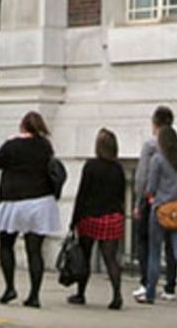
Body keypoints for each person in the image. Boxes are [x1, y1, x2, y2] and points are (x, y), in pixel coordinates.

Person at [0, 111, 61, 308]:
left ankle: (10, 287)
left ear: (22, 126)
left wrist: (10, 145)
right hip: (41, 200)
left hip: (14, 200)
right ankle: (34, 295)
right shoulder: (45, 146)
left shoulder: (12, 145)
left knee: (6, 244)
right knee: (34, 250)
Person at [137, 126, 177, 309]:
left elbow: (151, 188)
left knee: (155, 253)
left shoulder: (158, 160)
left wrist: (151, 196)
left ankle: (150, 293)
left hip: (161, 209)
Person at [67, 128, 125, 310]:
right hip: (112, 216)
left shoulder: (91, 166)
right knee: (110, 258)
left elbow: (82, 194)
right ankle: (117, 295)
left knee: (85, 256)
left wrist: (74, 220)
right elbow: (121, 195)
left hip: (90, 216)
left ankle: (81, 293)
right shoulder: (118, 168)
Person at [133, 106, 177, 300]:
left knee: (146, 241)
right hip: (173, 199)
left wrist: (138, 201)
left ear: (155, 124)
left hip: (152, 199)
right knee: (170, 244)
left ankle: (146, 283)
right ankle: (170, 286)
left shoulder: (150, 145)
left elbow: (142, 176)